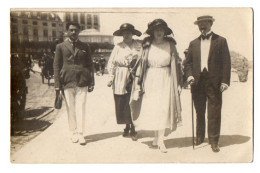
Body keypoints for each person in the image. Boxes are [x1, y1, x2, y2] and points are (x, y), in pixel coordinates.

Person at [130, 19, 182, 153]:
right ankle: (155, 137)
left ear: (165, 32)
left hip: (166, 78)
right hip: (150, 78)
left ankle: (161, 140)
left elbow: (177, 64)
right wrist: (137, 84)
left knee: (163, 108)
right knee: (153, 108)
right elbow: (141, 65)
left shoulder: (170, 45)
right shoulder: (147, 45)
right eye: (156, 30)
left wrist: (179, 83)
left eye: (161, 30)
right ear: (152, 32)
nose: (159, 32)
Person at [184, 15, 231, 152]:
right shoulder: (193, 43)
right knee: (199, 111)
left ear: (210, 24)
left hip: (214, 82)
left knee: (214, 111)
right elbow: (188, 64)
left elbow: (226, 63)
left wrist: (225, 81)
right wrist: (189, 76)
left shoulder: (221, 41)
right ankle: (199, 137)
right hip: (198, 82)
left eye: (204, 23)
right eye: (200, 24)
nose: (202, 26)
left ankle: (214, 140)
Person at [53, 22, 95, 145]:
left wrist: (92, 81)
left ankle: (81, 133)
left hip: (82, 80)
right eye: (71, 30)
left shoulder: (85, 46)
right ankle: (73, 132)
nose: (73, 32)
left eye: (75, 30)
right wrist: (57, 84)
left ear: (79, 32)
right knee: (70, 108)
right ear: (67, 31)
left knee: (81, 106)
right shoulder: (60, 47)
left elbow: (90, 64)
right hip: (67, 81)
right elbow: (56, 66)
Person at [107, 23, 142, 141]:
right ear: (122, 35)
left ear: (132, 34)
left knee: (133, 101)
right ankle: (127, 125)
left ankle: (133, 128)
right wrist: (111, 77)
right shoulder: (118, 47)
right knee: (122, 102)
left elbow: (143, 60)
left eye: (129, 33)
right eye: (124, 33)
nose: (126, 35)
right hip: (121, 76)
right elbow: (111, 63)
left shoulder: (139, 46)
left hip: (135, 75)